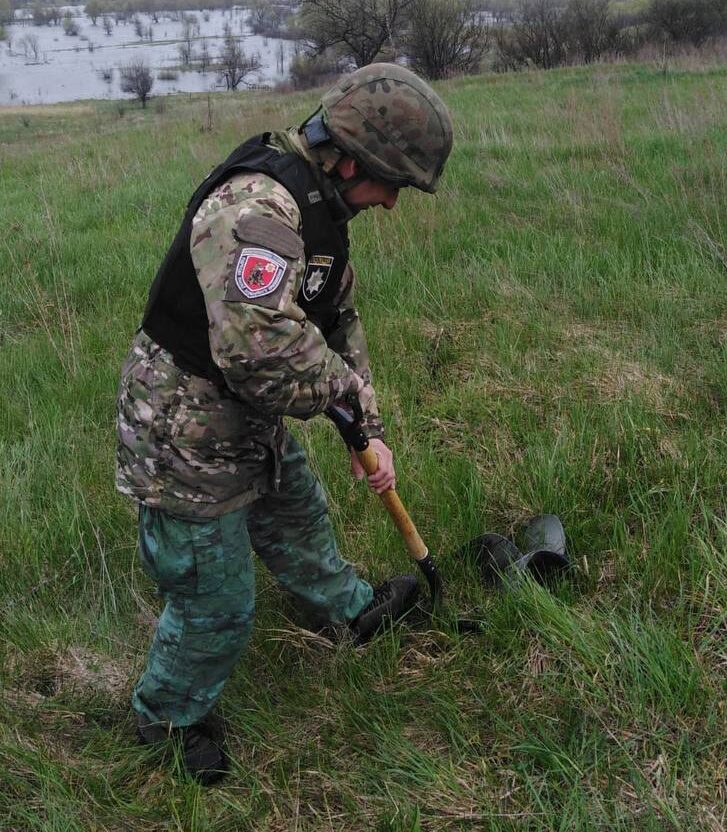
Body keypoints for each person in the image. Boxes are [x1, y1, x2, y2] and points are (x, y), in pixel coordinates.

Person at [114, 63, 453, 785]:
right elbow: (257, 346)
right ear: (351, 159)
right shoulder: (256, 208)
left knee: (298, 515)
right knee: (216, 598)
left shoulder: (323, 212)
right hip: (181, 430)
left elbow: (336, 319)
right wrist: (340, 400)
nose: (392, 203)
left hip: (245, 418)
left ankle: (354, 613)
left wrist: (368, 425)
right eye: (391, 183)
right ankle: (167, 715)